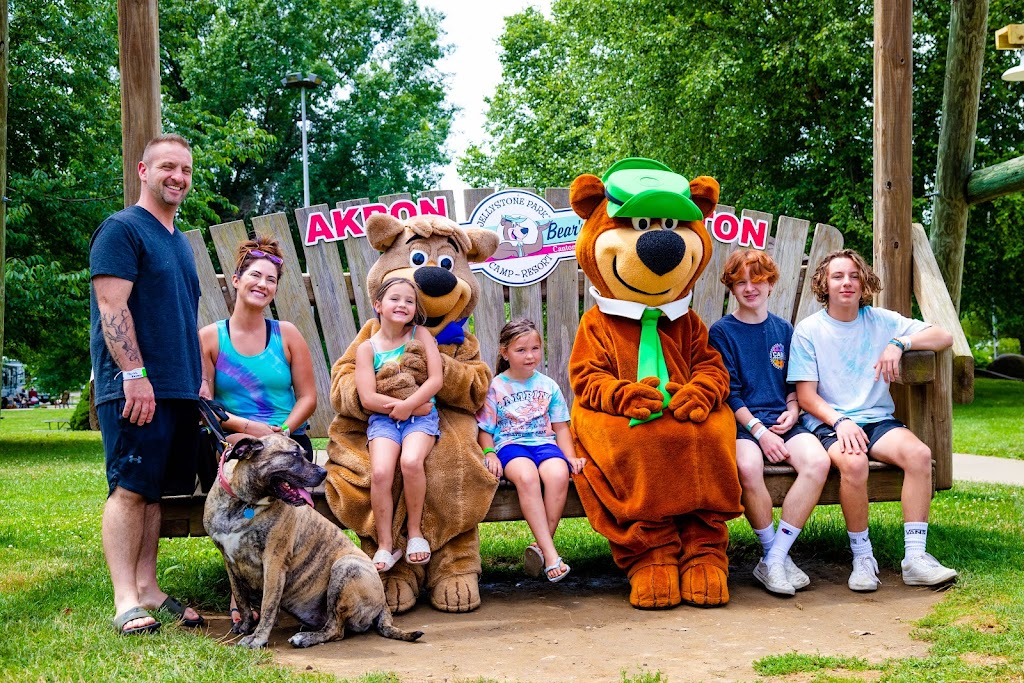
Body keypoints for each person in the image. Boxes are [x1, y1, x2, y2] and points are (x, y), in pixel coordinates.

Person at [788, 248, 958, 592]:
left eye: (853, 275)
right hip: (829, 421)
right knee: (853, 466)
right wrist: (840, 422)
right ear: (824, 284)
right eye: (838, 276)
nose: (847, 283)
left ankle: (914, 559)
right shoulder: (809, 330)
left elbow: (945, 336)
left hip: (876, 420)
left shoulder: (881, 320)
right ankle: (863, 558)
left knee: (920, 455)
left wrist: (900, 342)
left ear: (863, 281)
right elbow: (806, 397)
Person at [90, 133, 204, 635]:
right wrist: (134, 376)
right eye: (167, 167)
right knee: (130, 489)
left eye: (184, 169)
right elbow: (112, 308)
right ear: (143, 170)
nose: (177, 177)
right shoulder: (122, 229)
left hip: (175, 389)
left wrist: (194, 383)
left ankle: (149, 587)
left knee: (154, 491)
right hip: (135, 386)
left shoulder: (178, 239)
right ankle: (124, 600)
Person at [198, 235, 318, 624]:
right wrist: (250, 430)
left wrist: (280, 432)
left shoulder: (287, 335)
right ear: (235, 280)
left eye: (270, 280)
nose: (262, 284)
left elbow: (308, 398)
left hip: (286, 442)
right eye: (254, 275)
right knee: (239, 465)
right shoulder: (211, 338)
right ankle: (242, 591)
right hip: (231, 438)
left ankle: (273, 580)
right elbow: (204, 403)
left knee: (275, 465)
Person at [708, 250, 830, 596]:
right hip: (745, 423)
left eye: (757, 280)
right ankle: (771, 551)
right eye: (741, 282)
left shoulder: (783, 329)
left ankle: (775, 558)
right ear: (731, 287)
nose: (750, 288)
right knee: (747, 466)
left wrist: (793, 409)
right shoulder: (722, 332)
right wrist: (760, 434)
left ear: (771, 284)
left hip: (784, 420)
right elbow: (729, 394)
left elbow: (794, 382)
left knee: (818, 461)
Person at [476, 319, 586, 582]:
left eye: (535, 348)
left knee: (559, 474)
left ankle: (541, 548)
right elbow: (485, 429)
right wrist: (489, 453)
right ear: (505, 353)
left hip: (544, 444)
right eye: (521, 350)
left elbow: (561, 427)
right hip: (510, 445)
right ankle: (551, 556)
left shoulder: (548, 386)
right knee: (527, 477)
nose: (530, 356)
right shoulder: (495, 387)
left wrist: (569, 456)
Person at [355, 277, 443, 571]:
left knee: (410, 461)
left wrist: (411, 407)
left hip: (421, 419)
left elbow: (435, 380)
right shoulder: (367, 348)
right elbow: (368, 397)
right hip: (384, 420)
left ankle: (415, 533)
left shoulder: (421, 335)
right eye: (395, 298)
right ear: (378, 305)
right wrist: (407, 407)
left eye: (409, 300)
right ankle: (385, 544)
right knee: (380, 472)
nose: (402, 304)